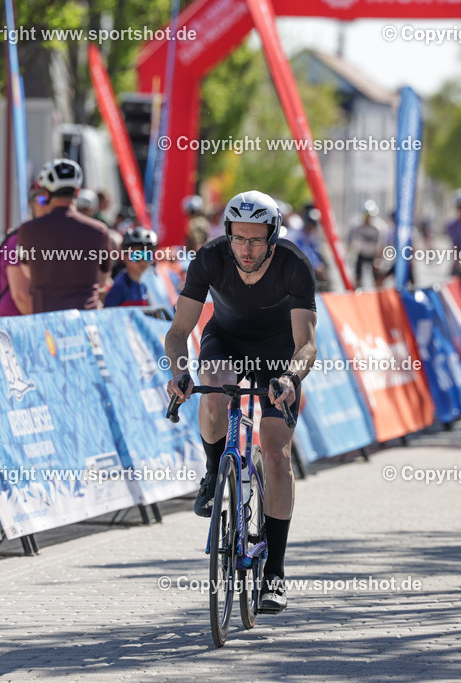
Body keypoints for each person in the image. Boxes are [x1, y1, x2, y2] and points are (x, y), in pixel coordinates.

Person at [165, 190, 318, 614]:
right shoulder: (211, 258)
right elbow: (178, 332)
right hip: (226, 341)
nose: (246, 250)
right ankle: (215, 471)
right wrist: (180, 372)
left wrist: (290, 376)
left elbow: (306, 344)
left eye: (255, 240)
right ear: (228, 234)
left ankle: (275, 574)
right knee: (213, 387)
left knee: (275, 454)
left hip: (278, 354)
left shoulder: (294, 265)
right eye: (238, 239)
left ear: (272, 237)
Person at [9, 159, 112, 314]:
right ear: (77, 192)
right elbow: (102, 278)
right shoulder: (99, 230)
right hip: (86, 322)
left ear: (47, 193)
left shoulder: (27, 230)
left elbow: (28, 272)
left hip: (47, 324)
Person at [0, 181, 50, 316]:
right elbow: (21, 296)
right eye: (42, 200)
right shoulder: (18, 239)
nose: (48, 205)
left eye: (52, 199)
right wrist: (46, 325)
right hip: (15, 326)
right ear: (30, 204)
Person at [104, 227, 158, 307]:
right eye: (137, 256)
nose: (142, 261)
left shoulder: (145, 284)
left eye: (147, 255)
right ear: (125, 257)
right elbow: (108, 315)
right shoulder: (120, 287)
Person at [346, 200, 387, 289]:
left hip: (374, 255)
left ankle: (378, 295)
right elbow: (350, 240)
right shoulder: (356, 226)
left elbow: (382, 244)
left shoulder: (378, 227)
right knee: (358, 276)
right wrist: (348, 255)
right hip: (362, 253)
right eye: (365, 215)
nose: (367, 218)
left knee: (377, 278)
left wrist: (379, 258)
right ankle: (357, 292)